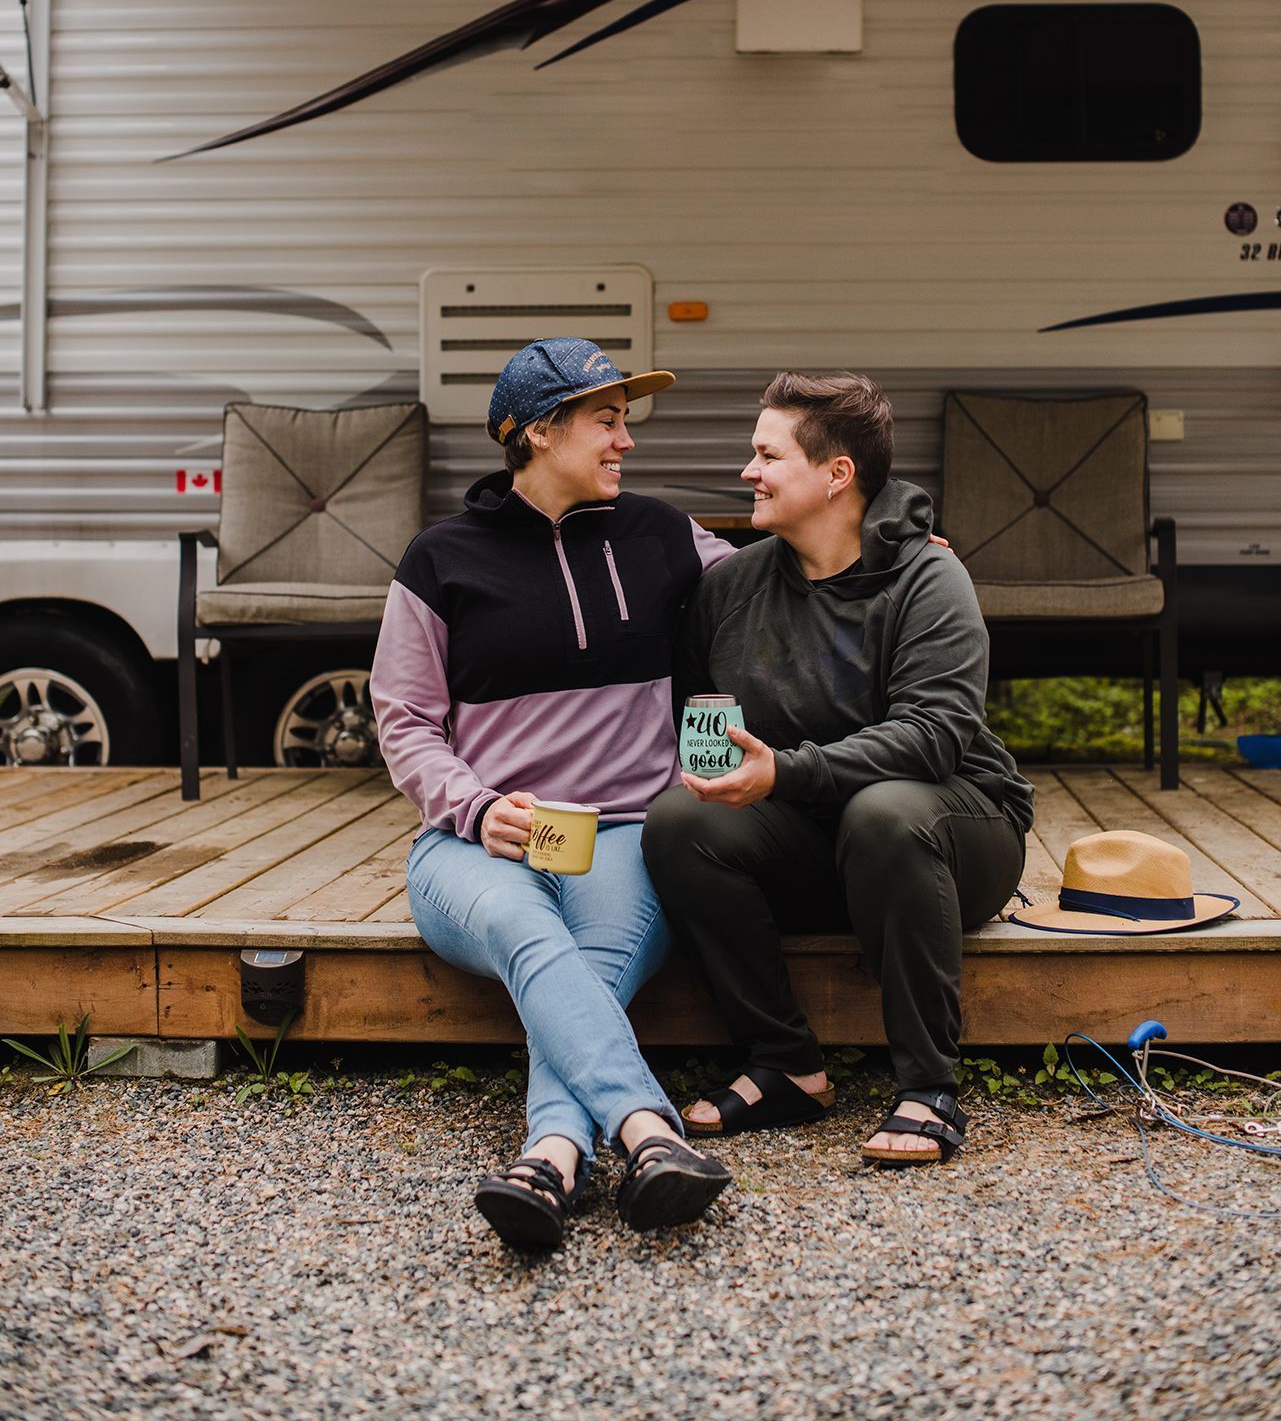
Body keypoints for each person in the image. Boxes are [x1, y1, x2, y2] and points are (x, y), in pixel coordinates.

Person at [370, 337, 733, 1248]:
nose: (625, 443)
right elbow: (405, 721)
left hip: (620, 833)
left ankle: (550, 1160)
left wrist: (880, 548)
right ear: (539, 431)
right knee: (526, 928)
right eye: (606, 422)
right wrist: (475, 808)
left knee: (598, 960)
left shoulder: (661, 533)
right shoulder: (440, 559)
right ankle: (648, 1132)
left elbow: (779, 580)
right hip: (477, 837)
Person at [642, 371, 1034, 1169]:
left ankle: (926, 1086)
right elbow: (700, 720)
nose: (746, 470)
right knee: (680, 822)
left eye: (766, 454)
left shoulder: (928, 577)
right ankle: (783, 1063)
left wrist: (783, 773)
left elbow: (933, 737)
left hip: (954, 837)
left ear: (836, 474)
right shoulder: (729, 588)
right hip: (815, 843)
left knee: (884, 810)